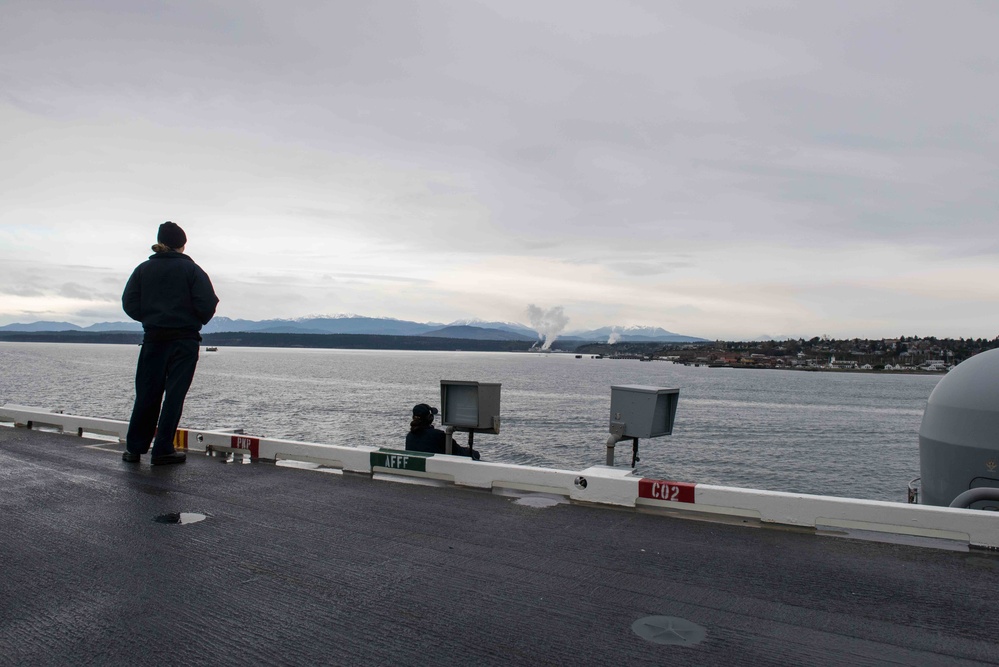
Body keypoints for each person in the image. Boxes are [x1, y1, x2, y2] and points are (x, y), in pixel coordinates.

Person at [121, 221, 219, 465]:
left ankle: (134, 449)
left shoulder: (143, 270)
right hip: (184, 341)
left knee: (146, 393)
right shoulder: (193, 271)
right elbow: (208, 303)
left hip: (153, 339)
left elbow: (129, 302)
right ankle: (162, 448)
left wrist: (150, 318)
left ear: (161, 243)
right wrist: (190, 320)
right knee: (174, 396)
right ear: (182, 245)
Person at [405, 403, 480, 459]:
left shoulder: (410, 436)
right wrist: (474, 453)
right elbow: (459, 452)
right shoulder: (437, 435)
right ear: (430, 418)